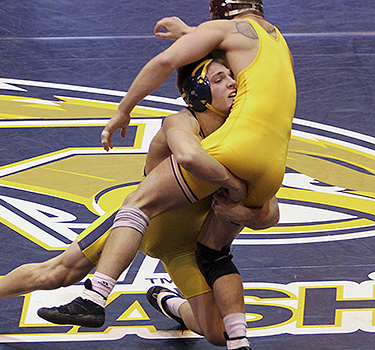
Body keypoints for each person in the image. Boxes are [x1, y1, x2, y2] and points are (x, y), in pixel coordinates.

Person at [0, 58, 279, 347]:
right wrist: (232, 186)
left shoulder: (242, 138)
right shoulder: (179, 123)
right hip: (137, 224)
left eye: (232, 77)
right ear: (198, 94)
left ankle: (170, 303)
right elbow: (187, 156)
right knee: (58, 274)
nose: (233, 83)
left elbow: (270, 214)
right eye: (219, 80)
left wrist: (244, 211)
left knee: (218, 334)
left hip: (185, 245)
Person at [37, 1, 295, 350]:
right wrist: (192, 32)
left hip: (234, 151)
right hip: (274, 166)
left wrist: (123, 111)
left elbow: (165, 62)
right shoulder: (277, 43)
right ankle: (236, 341)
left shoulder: (218, 43)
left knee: (137, 202)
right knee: (216, 255)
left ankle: (94, 298)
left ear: (221, 15)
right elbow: (230, 43)